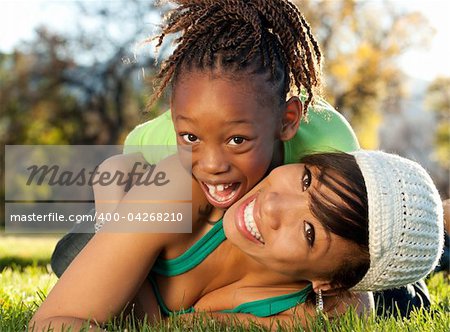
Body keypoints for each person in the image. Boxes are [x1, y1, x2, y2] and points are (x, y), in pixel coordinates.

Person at [49, 0, 431, 318]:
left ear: (288, 123)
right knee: (75, 252)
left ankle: (424, 249)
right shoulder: (168, 162)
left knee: (395, 288)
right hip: (154, 214)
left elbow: (363, 215)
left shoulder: (331, 144)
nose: (212, 162)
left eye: (236, 139)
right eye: (305, 181)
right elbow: (116, 173)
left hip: (326, 256)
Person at [30, 150, 444, 331]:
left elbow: (176, 325)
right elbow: (55, 321)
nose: (273, 207)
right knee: (71, 253)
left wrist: (111, 203)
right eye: (305, 179)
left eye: (309, 231)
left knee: (410, 293)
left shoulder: (326, 312)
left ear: (330, 284)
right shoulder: (188, 192)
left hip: (376, 287)